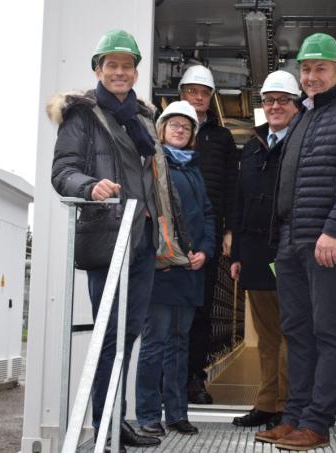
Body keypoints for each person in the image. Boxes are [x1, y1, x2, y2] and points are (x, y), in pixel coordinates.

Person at [254, 33, 336, 451]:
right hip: (292, 240)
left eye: (320, 68)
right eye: (305, 69)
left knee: (326, 330)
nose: (311, 76)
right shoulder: (302, 118)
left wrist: (335, 230)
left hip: (329, 239)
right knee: (297, 330)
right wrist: (280, 239)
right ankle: (294, 418)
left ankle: (318, 423)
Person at [48, 29, 164, 452]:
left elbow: (156, 181)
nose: (119, 71)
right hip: (108, 237)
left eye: (126, 65)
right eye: (111, 65)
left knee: (130, 332)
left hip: (143, 238)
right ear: (98, 69)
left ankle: (116, 417)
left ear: (135, 72)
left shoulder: (144, 118)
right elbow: (62, 171)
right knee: (108, 335)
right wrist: (90, 185)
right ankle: (104, 426)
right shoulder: (82, 115)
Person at [135, 100, 215, 438]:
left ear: (193, 134)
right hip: (162, 271)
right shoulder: (152, 165)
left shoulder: (193, 169)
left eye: (186, 126)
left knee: (180, 345)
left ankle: (177, 413)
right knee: (155, 344)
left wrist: (207, 252)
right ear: (161, 130)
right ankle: (149, 415)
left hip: (190, 271)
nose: (180, 130)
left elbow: (208, 216)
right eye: (174, 125)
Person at [229, 71, 300, 429]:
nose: (275, 106)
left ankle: (289, 408)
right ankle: (267, 404)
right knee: (268, 337)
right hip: (256, 254)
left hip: (289, 252)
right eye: (269, 100)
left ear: (296, 104)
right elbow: (240, 201)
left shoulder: (303, 139)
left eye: (282, 100)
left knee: (291, 333)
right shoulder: (254, 145)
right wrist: (238, 253)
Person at [177, 65, 239, 405]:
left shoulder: (223, 138)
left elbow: (232, 186)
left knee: (200, 309)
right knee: (170, 309)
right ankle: (167, 381)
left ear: (210, 98)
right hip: (173, 230)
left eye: (204, 93)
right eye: (192, 91)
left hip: (208, 231)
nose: (199, 97)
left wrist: (228, 229)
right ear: (182, 93)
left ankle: (194, 381)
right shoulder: (169, 128)